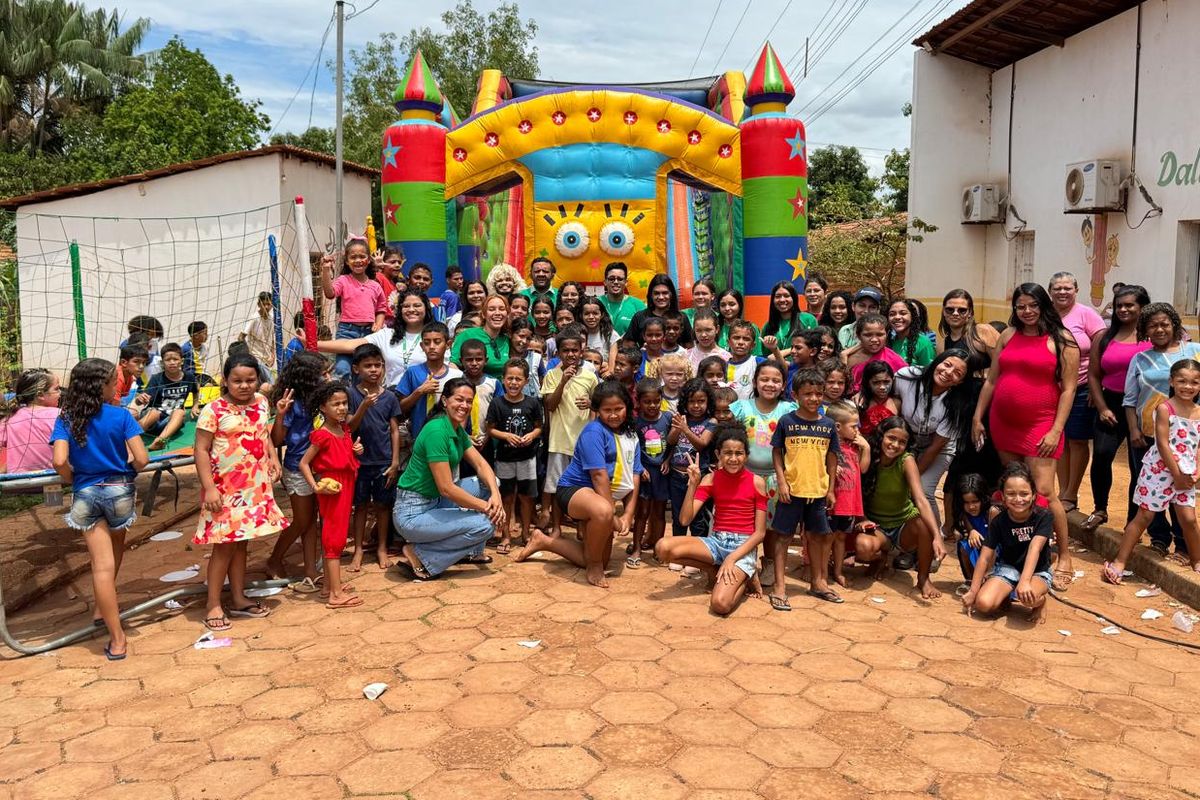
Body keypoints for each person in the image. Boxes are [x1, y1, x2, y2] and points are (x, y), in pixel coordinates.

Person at [973, 283, 1079, 590]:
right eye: (1021, 306)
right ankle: (1018, 552)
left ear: (1043, 305)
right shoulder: (1007, 335)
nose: (1027, 311)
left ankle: (1064, 555)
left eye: (1032, 305)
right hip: (1004, 423)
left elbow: (1069, 388)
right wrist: (978, 417)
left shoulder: (1062, 340)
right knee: (1015, 488)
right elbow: (993, 379)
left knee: (1046, 492)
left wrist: (1056, 429)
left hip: (1041, 425)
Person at [50, 358, 149, 659]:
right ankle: (102, 610)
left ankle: (116, 637)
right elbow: (142, 459)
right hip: (120, 490)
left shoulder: (66, 418)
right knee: (115, 552)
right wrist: (127, 472)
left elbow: (58, 461)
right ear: (103, 386)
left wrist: (73, 479)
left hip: (86, 492)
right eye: (112, 382)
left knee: (100, 566)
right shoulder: (120, 416)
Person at [193, 353, 287, 632]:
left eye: (250, 380)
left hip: (254, 487)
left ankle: (237, 597)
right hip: (224, 490)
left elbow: (264, 435)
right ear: (225, 381)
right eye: (237, 381)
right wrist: (209, 488)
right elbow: (200, 449)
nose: (244, 386)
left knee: (242, 543)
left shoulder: (261, 403)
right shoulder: (214, 410)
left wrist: (273, 459)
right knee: (223, 547)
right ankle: (213, 604)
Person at [516, 381, 640, 588]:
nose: (613, 415)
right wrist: (614, 516)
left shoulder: (631, 435)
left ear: (627, 406)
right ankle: (593, 566)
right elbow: (598, 475)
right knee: (602, 514)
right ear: (597, 411)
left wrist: (628, 514)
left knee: (601, 556)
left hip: (600, 496)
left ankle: (544, 541)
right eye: (606, 410)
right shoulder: (594, 431)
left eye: (618, 409)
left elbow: (634, 474)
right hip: (574, 490)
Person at [393, 378, 505, 580]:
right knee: (485, 525)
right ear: (444, 400)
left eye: (469, 401)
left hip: (434, 500)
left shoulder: (455, 428)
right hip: (412, 513)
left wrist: (495, 497)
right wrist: (487, 508)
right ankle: (419, 554)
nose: (464, 406)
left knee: (492, 483)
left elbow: (481, 465)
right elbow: (447, 489)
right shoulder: (437, 431)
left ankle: (472, 552)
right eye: (459, 399)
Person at [1105, 358, 1200, 583]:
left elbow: (1198, 448)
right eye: (1182, 381)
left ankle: (1196, 560)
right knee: (1145, 515)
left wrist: (1195, 474)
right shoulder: (1164, 408)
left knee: (1189, 519)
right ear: (1171, 381)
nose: (1188, 387)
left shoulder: (1198, 412)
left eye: (1194, 382)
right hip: (1159, 471)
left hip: (1185, 475)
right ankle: (1120, 561)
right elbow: (1163, 443)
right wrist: (1176, 475)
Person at [654, 427, 766, 615]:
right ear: (718, 454)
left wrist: (732, 558)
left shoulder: (756, 482)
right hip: (716, 542)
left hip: (742, 547)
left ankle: (747, 577)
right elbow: (684, 520)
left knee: (720, 605)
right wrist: (693, 484)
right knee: (662, 548)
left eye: (739, 453)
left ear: (746, 455)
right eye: (727, 453)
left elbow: (760, 533)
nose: (733, 458)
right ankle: (714, 570)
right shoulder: (710, 479)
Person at [1083, 284, 1151, 532]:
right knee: (1101, 455)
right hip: (1110, 403)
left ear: (1142, 307)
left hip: (1144, 407)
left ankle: (1133, 519)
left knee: (1139, 466)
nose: (1123, 309)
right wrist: (1101, 407)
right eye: (1119, 305)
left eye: (1129, 305)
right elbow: (1093, 375)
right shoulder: (1104, 337)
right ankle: (1100, 508)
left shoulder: (1152, 336)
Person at [770, 368, 840, 608]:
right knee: (783, 537)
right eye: (808, 393)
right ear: (795, 395)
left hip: (818, 492)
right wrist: (781, 481)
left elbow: (832, 458)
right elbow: (777, 452)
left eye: (819, 394)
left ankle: (819, 583)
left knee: (819, 537)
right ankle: (780, 586)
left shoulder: (829, 425)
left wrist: (830, 489)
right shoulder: (787, 422)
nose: (814, 399)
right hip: (792, 490)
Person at [855, 416, 945, 599]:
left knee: (924, 524)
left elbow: (920, 499)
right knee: (863, 548)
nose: (895, 445)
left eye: (902, 442)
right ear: (881, 436)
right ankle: (881, 557)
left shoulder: (906, 460)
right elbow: (855, 492)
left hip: (904, 526)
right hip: (876, 527)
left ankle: (923, 578)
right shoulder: (867, 455)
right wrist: (863, 519)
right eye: (891, 438)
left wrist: (937, 537)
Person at [732, 360, 796, 591]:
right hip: (744, 476)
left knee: (771, 526)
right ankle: (742, 563)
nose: (770, 384)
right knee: (744, 522)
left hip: (775, 478)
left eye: (776, 380)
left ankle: (768, 563)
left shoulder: (789, 410)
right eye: (765, 379)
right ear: (755, 382)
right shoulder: (739, 407)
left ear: (783, 385)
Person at [298, 382, 364, 608]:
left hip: (345, 483)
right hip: (332, 486)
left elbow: (345, 453)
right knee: (334, 537)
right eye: (335, 404)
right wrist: (315, 486)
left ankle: (329, 585)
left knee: (338, 531)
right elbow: (304, 463)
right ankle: (336, 595)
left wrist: (355, 450)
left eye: (344, 403)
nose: (342, 408)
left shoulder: (343, 429)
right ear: (323, 408)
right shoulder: (322, 434)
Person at [961, 463, 1053, 624]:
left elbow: (1034, 548)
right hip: (1008, 568)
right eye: (1011, 494)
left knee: (1027, 597)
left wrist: (1024, 582)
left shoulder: (1043, 517)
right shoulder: (998, 521)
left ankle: (1041, 603)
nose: (1018, 499)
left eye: (1024, 494)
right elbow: (984, 557)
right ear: (1002, 497)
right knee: (983, 604)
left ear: (1033, 496)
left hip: (1037, 571)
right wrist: (973, 591)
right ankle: (1004, 597)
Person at [1048, 271, 1107, 516]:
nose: (1063, 292)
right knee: (1059, 440)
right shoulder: (1044, 315)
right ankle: (1062, 492)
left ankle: (1071, 493)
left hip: (1082, 386)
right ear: (1050, 291)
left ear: (1076, 290)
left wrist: (1097, 387)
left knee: (1077, 440)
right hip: (1051, 388)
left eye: (1067, 288)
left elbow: (1101, 350)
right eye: (1058, 288)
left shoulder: (1087, 315)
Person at [892, 351, 972, 529]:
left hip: (938, 449)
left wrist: (912, 476)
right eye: (947, 364)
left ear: (960, 382)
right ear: (937, 361)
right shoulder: (907, 377)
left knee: (923, 490)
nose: (949, 372)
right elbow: (889, 399)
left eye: (958, 373)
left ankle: (934, 541)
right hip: (906, 442)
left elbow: (936, 447)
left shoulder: (957, 404)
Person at [268, 351, 327, 590]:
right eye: (322, 373)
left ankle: (310, 568)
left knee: (312, 520)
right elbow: (277, 439)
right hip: (296, 467)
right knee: (302, 520)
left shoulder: (320, 398)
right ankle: (274, 559)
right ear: (307, 377)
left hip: (319, 465)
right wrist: (280, 416)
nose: (327, 377)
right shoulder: (292, 403)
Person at [347, 344, 403, 570]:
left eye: (378, 365)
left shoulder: (389, 397)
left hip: (383, 460)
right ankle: (359, 550)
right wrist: (363, 406)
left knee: (382, 506)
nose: (373, 370)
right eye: (367, 366)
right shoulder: (351, 395)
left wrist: (395, 461)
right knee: (360, 506)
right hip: (359, 462)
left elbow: (394, 430)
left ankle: (381, 548)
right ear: (355, 369)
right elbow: (350, 426)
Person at [540, 330, 599, 538]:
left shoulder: (590, 376)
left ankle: (581, 527)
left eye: (575, 350)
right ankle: (556, 527)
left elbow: (600, 405)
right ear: (558, 353)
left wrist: (591, 404)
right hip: (558, 442)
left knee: (583, 487)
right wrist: (563, 382)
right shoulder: (552, 375)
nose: (571, 354)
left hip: (582, 443)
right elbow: (549, 405)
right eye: (566, 350)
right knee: (557, 487)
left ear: (582, 351)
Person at [486, 358, 544, 554]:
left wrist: (531, 435)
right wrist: (506, 435)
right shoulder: (497, 403)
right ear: (503, 380)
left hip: (527, 458)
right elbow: (490, 429)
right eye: (510, 378)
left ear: (526, 381)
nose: (513, 383)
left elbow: (539, 427)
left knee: (526, 497)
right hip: (504, 458)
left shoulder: (532, 403)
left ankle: (526, 533)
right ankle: (506, 535)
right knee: (507, 497)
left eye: (518, 379)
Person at [318, 290, 434, 387]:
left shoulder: (435, 336)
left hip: (426, 397)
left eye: (417, 305)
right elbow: (349, 345)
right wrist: (312, 343)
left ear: (426, 308)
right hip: (394, 398)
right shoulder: (387, 335)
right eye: (406, 306)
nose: (411, 309)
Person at [321, 241, 387, 378]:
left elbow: (381, 308)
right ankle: (342, 397)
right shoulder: (343, 280)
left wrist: (379, 324)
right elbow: (330, 293)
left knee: (365, 372)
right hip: (347, 332)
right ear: (346, 261)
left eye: (362, 256)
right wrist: (326, 270)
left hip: (369, 334)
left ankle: (360, 398)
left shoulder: (375, 285)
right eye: (353, 257)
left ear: (368, 260)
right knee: (342, 369)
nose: (358, 260)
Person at [627, 378, 673, 564]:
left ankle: (657, 549)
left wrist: (668, 460)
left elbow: (673, 443)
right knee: (642, 512)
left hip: (662, 473)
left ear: (661, 399)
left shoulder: (668, 418)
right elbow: (632, 448)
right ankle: (636, 548)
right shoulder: (636, 423)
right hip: (645, 474)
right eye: (647, 402)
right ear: (639, 402)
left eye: (656, 401)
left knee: (660, 513)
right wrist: (639, 467)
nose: (652, 405)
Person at [827, 402, 870, 590]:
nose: (856, 430)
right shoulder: (828, 445)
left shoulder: (855, 446)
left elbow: (863, 468)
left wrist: (866, 448)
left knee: (841, 538)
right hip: (832, 501)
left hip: (848, 503)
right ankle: (819, 572)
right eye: (853, 426)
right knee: (826, 538)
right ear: (837, 427)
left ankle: (837, 571)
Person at [667, 378, 716, 538]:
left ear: (708, 401)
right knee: (678, 515)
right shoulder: (680, 418)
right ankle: (677, 553)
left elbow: (702, 444)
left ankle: (696, 554)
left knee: (698, 517)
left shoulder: (711, 421)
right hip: (677, 475)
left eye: (701, 401)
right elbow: (670, 441)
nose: (696, 406)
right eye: (692, 401)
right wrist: (677, 428)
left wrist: (685, 430)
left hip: (699, 477)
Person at [397, 322, 463, 440]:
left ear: (448, 344)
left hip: (448, 437)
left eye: (437, 342)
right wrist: (420, 391)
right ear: (422, 346)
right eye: (427, 343)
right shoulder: (412, 372)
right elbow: (401, 408)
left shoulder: (456, 375)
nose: (432, 346)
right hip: (420, 437)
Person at [138, 343, 200, 450]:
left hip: (171, 423)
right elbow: (143, 399)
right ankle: (131, 436)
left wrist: (195, 405)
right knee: (154, 413)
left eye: (175, 359)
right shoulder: (157, 378)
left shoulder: (189, 377)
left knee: (180, 412)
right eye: (168, 360)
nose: (172, 362)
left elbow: (196, 390)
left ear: (182, 361)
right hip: (152, 421)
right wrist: (140, 399)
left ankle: (160, 440)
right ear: (162, 363)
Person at [0, 368, 60, 473]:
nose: (60, 393)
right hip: (54, 480)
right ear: (40, 395)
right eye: (57, 389)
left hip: (16, 484)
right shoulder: (59, 415)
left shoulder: (9, 419)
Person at [844, 314, 907, 393]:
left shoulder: (894, 359)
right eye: (868, 335)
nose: (874, 339)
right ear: (858, 336)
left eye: (880, 335)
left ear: (887, 334)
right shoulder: (849, 358)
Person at [451, 295, 512, 378]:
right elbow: (453, 365)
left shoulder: (507, 339)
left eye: (502, 309)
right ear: (483, 314)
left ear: (507, 314)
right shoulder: (467, 335)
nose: (497, 313)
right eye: (491, 309)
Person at [950, 473, 992, 592]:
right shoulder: (964, 514)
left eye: (975, 501)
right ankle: (971, 580)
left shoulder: (991, 512)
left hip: (994, 552)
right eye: (966, 503)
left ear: (983, 498)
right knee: (963, 545)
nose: (971, 506)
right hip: (980, 548)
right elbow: (964, 519)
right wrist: (971, 531)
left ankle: (990, 580)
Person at [627, 274, 694, 347]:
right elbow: (628, 344)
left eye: (665, 293)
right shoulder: (639, 317)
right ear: (651, 295)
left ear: (671, 294)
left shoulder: (682, 317)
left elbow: (689, 346)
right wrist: (641, 354)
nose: (661, 297)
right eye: (656, 293)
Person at [761, 281, 817, 362]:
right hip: (777, 371)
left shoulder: (808, 319)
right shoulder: (768, 326)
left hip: (802, 370)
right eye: (778, 296)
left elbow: (814, 346)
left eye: (786, 296)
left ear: (794, 298)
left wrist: (782, 352)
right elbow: (766, 356)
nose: (782, 299)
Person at [598, 262, 646, 336]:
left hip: (629, 347)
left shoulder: (638, 306)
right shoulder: (596, 303)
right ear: (605, 282)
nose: (616, 282)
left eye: (620, 279)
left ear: (626, 282)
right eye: (611, 279)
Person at [886, 299, 935, 367]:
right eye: (892, 314)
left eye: (903, 313)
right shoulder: (888, 342)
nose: (897, 317)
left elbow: (928, 372)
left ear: (912, 317)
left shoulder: (923, 343)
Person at [857, 360, 898, 437]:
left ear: (893, 380)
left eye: (886, 382)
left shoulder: (897, 403)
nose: (882, 387)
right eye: (876, 382)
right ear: (868, 383)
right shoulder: (861, 402)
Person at [240, 291, 277, 378]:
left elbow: (272, 338)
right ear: (259, 305)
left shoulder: (272, 318)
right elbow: (241, 337)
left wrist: (273, 354)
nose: (266, 307)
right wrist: (248, 353)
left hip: (267, 359)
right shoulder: (254, 318)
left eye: (268, 304)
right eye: (264, 304)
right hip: (256, 358)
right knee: (270, 382)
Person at [725, 320, 764, 401]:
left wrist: (774, 349)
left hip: (751, 412)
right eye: (736, 338)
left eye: (746, 339)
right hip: (728, 411)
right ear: (728, 342)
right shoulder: (723, 366)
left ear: (753, 345)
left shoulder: (757, 362)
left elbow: (782, 369)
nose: (741, 342)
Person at [579, 296, 619, 374]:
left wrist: (607, 371)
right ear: (581, 315)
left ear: (602, 314)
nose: (591, 317)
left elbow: (612, 368)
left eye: (595, 313)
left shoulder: (610, 334)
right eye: (587, 314)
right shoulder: (577, 333)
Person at [716, 289, 762, 355]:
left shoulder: (751, 327)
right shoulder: (716, 327)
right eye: (723, 305)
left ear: (740, 305)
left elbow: (756, 354)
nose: (727, 308)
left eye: (732, 304)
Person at [687, 309, 731, 373]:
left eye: (708, 330)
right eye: (699, 330)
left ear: (717, 329)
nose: (703, 335)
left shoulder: (727, 358)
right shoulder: (687, 356)